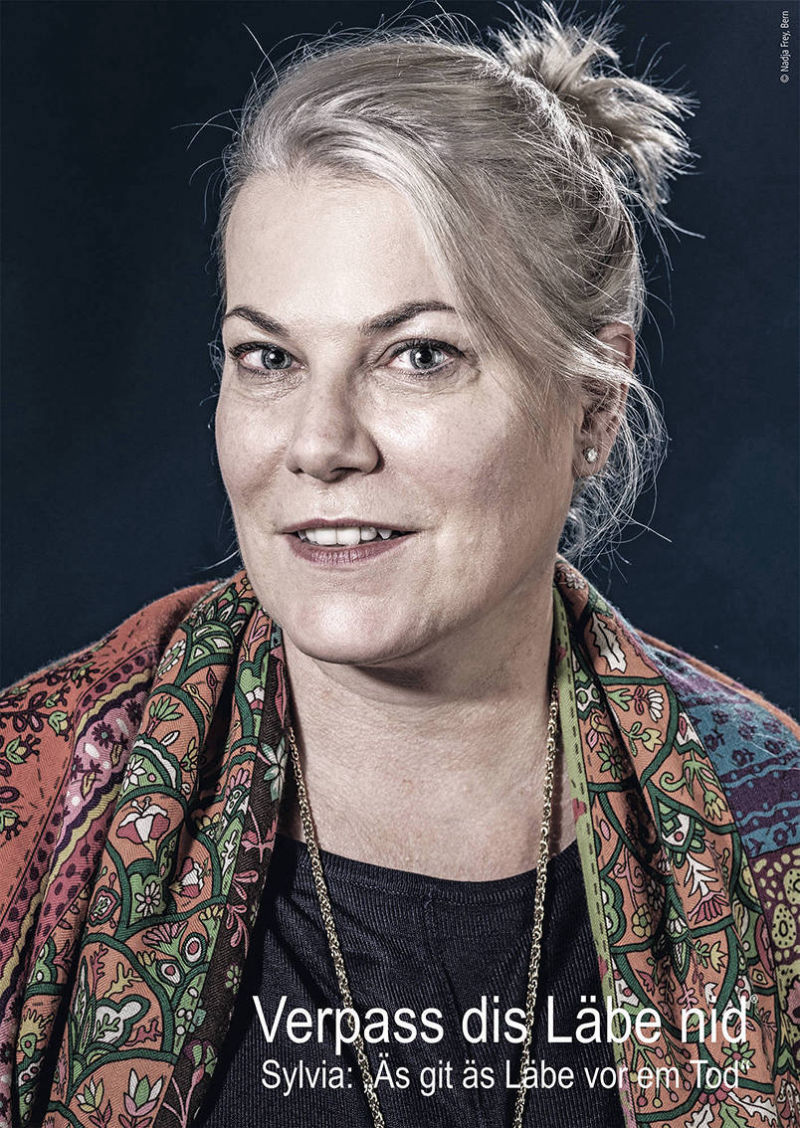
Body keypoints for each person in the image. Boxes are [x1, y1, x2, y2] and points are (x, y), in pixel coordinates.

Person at [1, 4, 798, 1127]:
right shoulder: (33, 807)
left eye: (417, 355)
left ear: (592, 406)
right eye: (267, 357)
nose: (320, 443)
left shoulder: (774, 826)